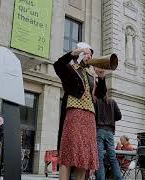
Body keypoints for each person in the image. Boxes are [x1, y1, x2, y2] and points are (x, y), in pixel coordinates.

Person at [54, 42, 104, 180]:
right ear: (80, 54)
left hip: (89, 116)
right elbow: (57, 65)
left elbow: (100, 95)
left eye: (91, 54)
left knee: (84, 156)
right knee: (69, 153)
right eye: (87, 53)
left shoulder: (91, 75)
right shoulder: (70, 69)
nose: (89, 56)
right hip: (75, 113)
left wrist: (101, 77)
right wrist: (73, 53)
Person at [94, 67, 122, 180]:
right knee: (112, 158)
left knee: (99, 158)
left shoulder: (96, 102)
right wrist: (111, 118)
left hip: (99, 130)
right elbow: (119, 116)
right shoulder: (112, 101)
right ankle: (119, 178)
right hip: (110, 132)